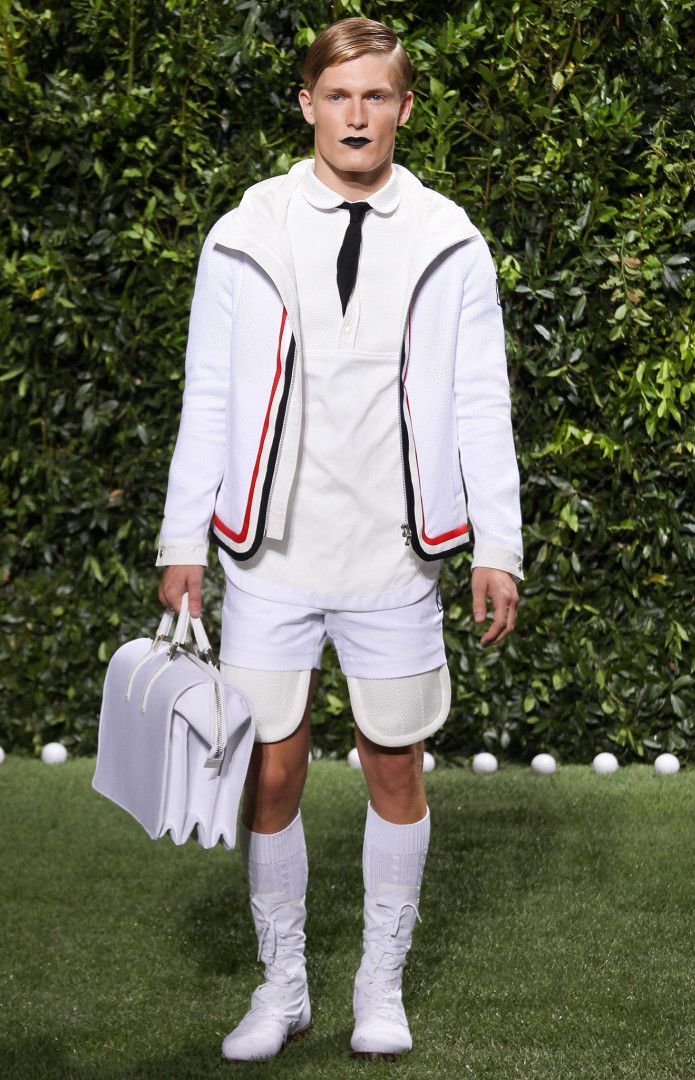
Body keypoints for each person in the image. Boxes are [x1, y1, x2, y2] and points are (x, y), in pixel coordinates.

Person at [157, 16, 522, 1063]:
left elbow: (480, 399)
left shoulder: (449, 236)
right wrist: (184, 537)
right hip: (267, 557)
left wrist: (497, 545)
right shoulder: (247, 229)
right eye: (337, 94)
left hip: (394, 557)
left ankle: (379, 986)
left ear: (403, 108)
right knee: (269, 775)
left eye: (376, 96)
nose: (356, 115)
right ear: (307, 103)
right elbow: (210, 393)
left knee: (392, 767)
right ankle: (284, 990)